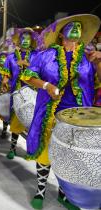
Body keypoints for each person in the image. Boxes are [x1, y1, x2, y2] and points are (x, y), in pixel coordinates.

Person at [21, 14, 101, 210]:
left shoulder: (87, 57)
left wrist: (98, 63)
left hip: (77, 118)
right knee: (45, 153)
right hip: (50, 112)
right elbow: (28, 76)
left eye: (79, 27)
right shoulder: (44, 55)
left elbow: (96, 83)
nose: (76, 28)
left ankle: (63, 195)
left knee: (68, 156)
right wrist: (47, 85)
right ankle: (40, 192)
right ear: (60, 35)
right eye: (71, 26)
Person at [1, 28, 40, 160]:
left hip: (34, 94)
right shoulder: (11, 57)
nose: (25, 41)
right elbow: (6, 75)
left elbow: (42, 72)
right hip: (16, 94)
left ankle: (32, 150)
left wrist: (26, 64)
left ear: (32, 41)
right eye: (23, 39)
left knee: (34, 124)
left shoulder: (37, 55)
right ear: (19, 40)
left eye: (28, 39)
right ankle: (12, 148)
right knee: (16, 123)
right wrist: (4, 83)